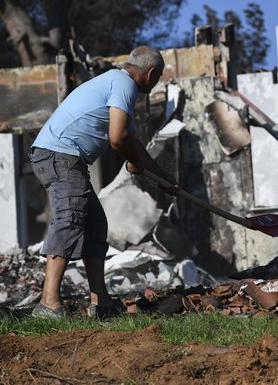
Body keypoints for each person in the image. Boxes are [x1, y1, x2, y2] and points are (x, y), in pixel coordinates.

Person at [30, 45, 177, 319]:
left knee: (95, 225)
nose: (155, 84)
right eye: (157, 79)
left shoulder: (117, 85)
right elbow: (118, 139)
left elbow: (132, 144)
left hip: (66, 158)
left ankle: (101, 303)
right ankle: (48, 303)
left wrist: (163, 179)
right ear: (151, 73)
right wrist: (131, 158)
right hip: (59, 154)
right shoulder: (123, 84)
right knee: (70, 218)